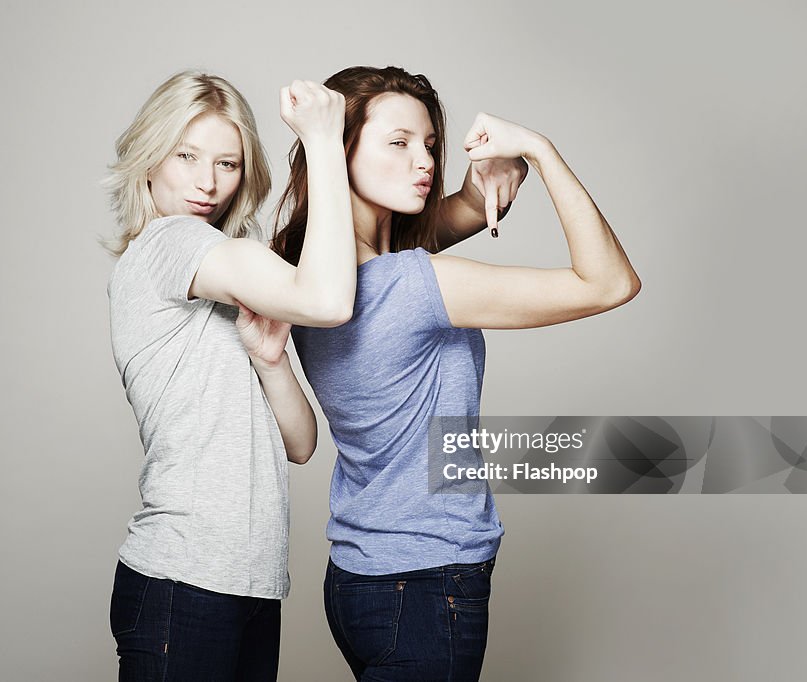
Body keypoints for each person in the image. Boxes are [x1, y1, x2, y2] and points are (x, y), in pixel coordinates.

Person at [272, 65, 641, 681]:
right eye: (398, 143)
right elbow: (610, 283)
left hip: (359, 577)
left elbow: (454, 216)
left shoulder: (305, 273)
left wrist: (484, 188)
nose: (423, 162)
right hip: (425, 580)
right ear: (338, 152)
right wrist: (541, 152)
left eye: (430, 146)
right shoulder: (414, 284)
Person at [103, 71, 355, 681]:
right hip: (181, 582)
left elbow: (301, 445)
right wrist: (324, 142)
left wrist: (270, 361)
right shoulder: (170, 242)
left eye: (227, 162)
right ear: (148, 160)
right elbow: (327, 300)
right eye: (186, 156)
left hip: (249, 584)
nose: (207, 181)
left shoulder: (227, 277)